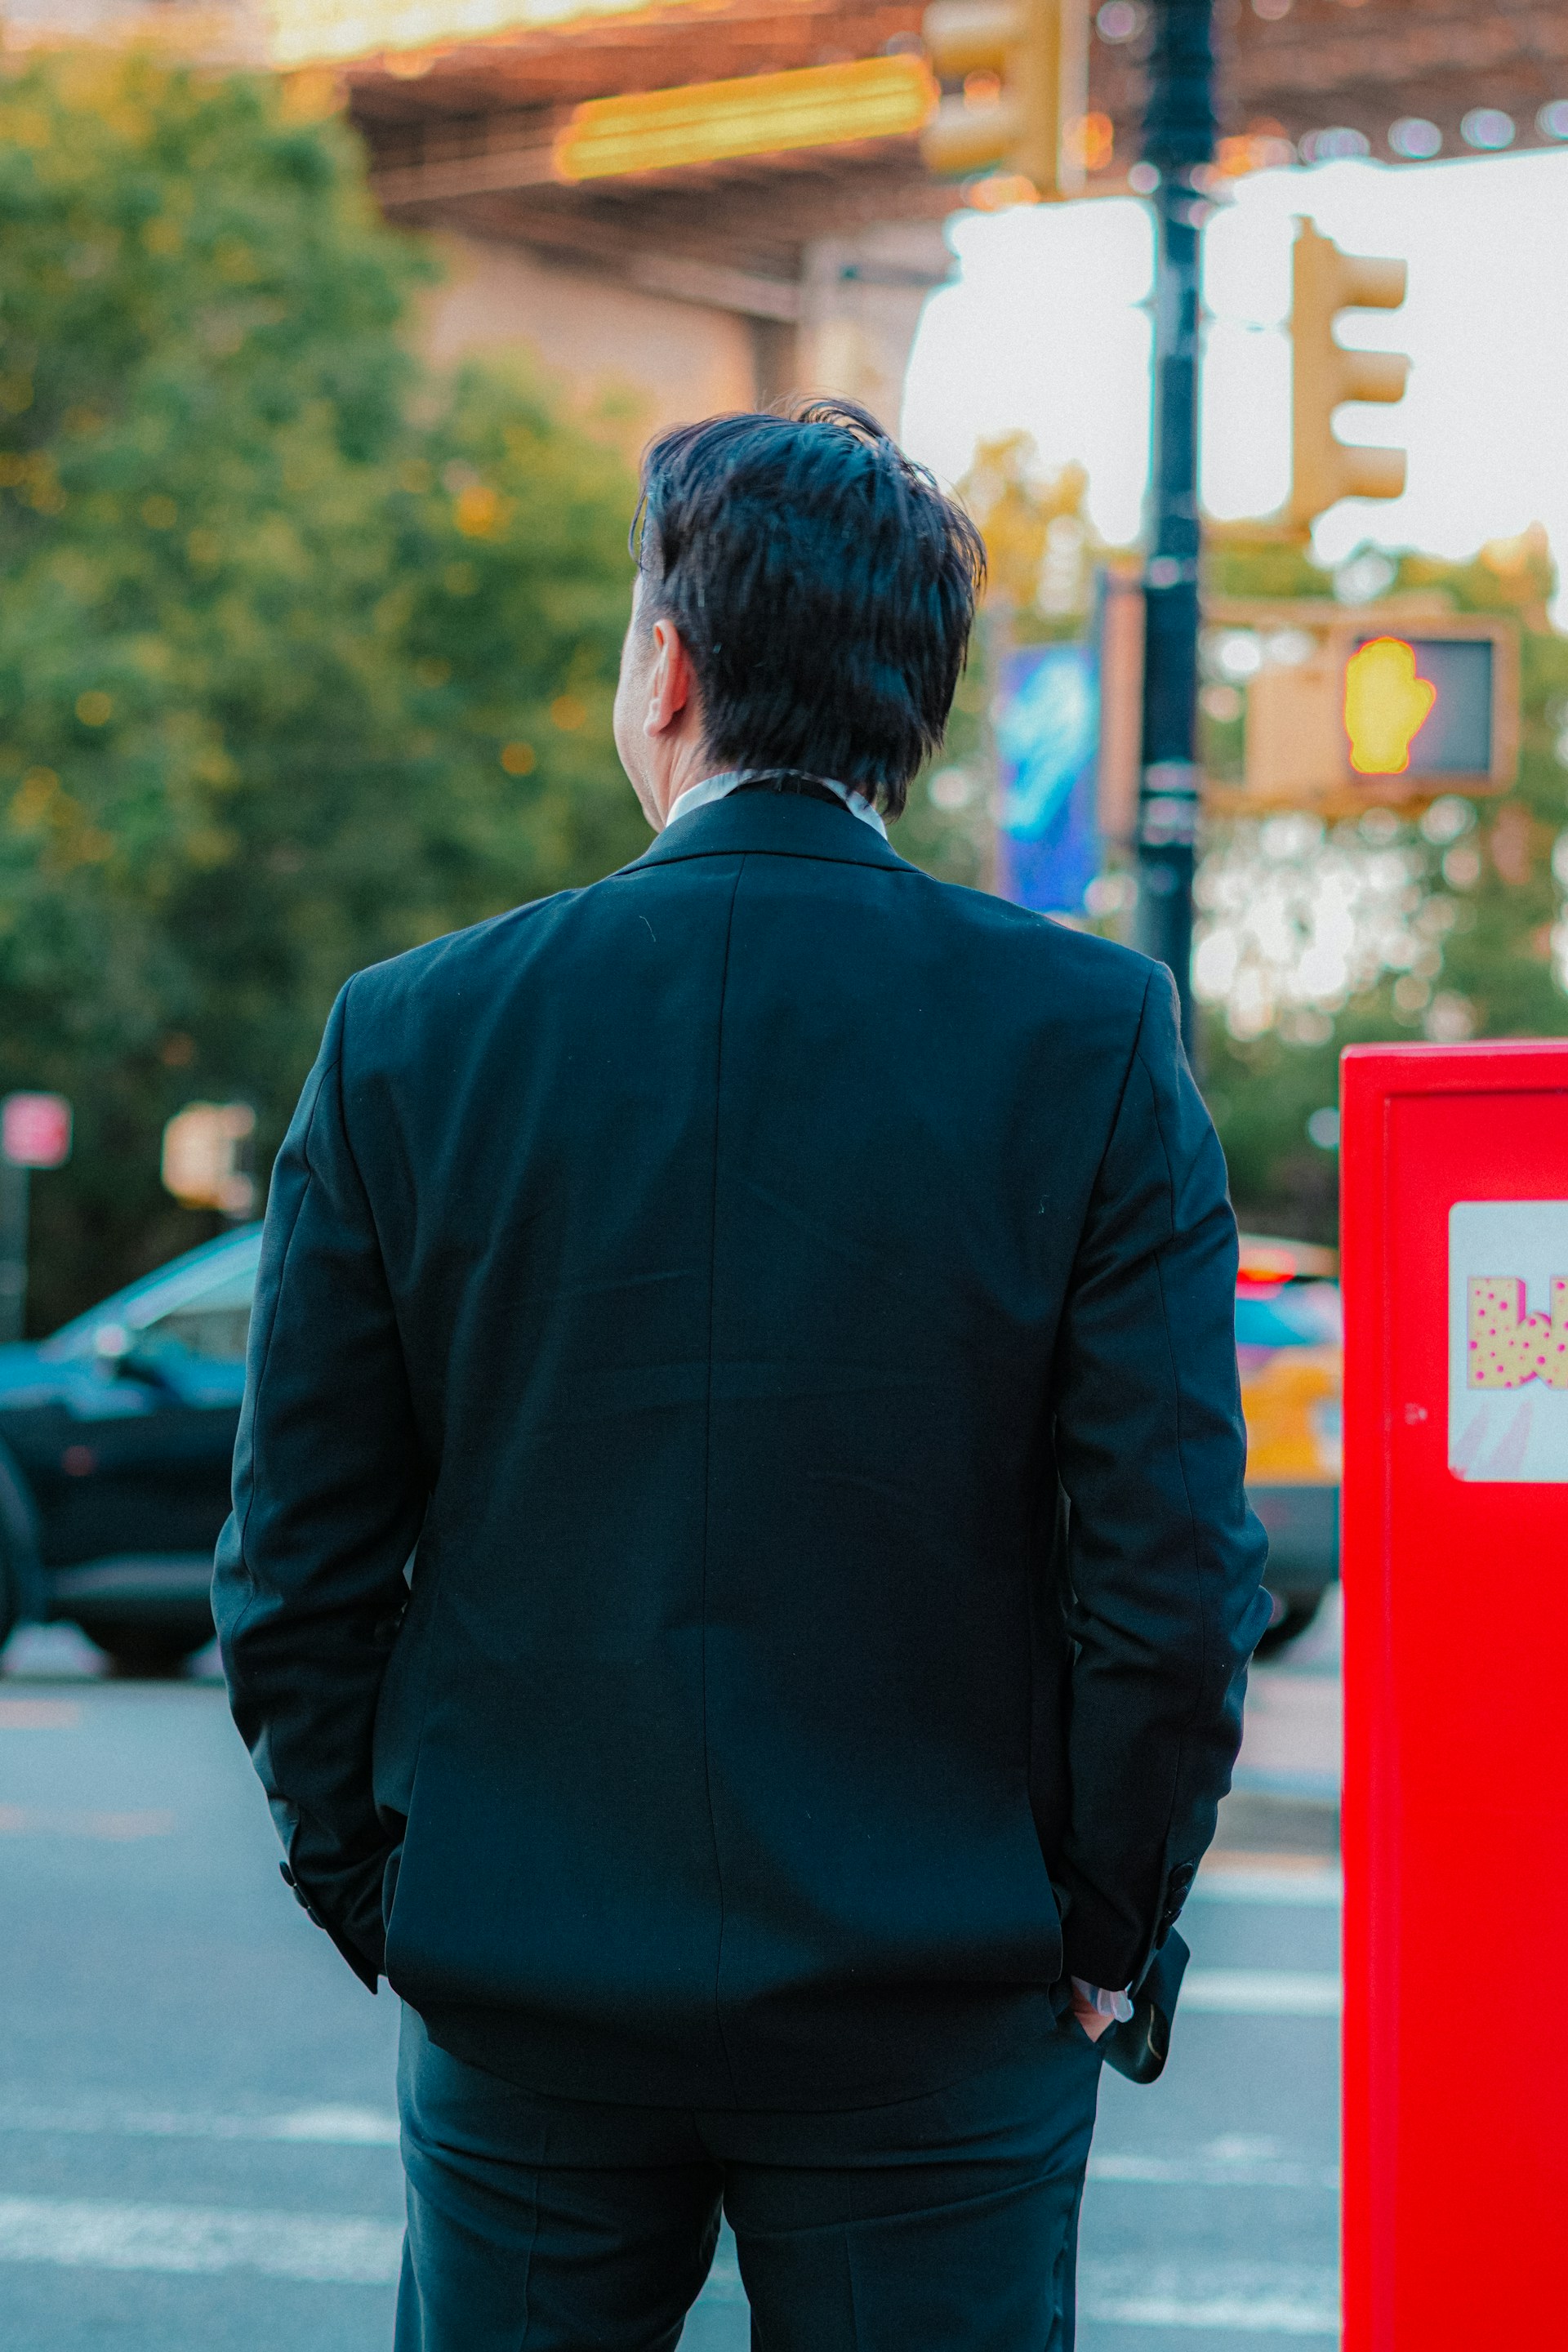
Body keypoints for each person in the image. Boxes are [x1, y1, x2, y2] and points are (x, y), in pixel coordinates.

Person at [213, 399, 1268, 2352]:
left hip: (530, 1992)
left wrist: (387, 1894)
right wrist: (1104, 1926)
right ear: (918, 713)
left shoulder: (410, 1042)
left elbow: (296, 1569)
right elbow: (1173, 1578)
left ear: (669, 668)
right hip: (936, 1997)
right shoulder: (1089, 1039)